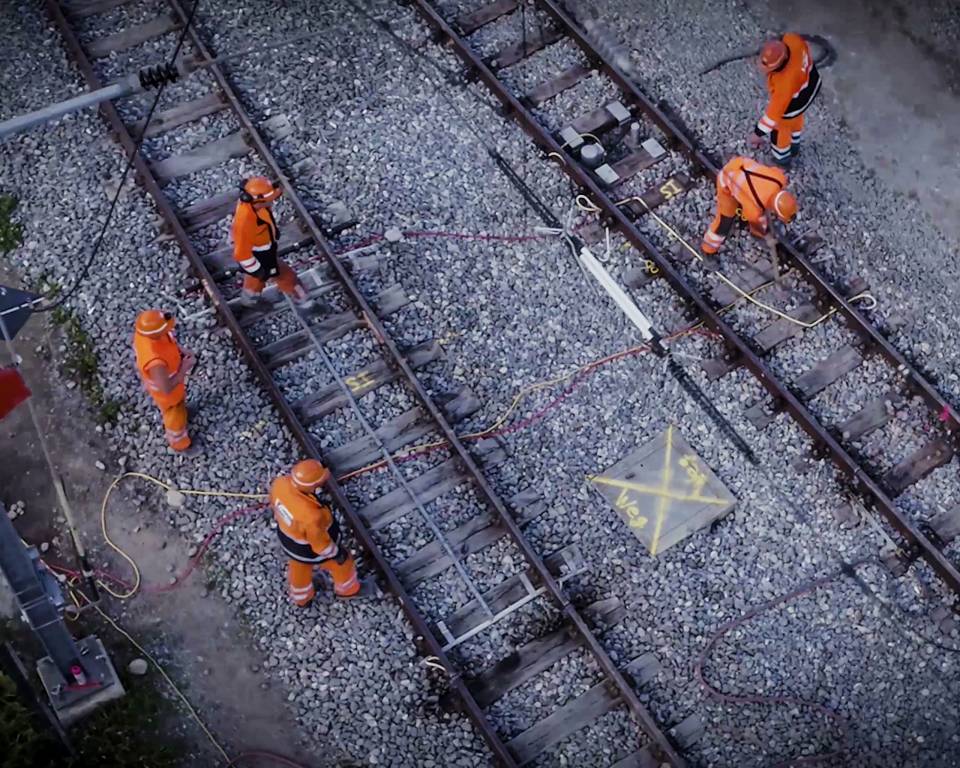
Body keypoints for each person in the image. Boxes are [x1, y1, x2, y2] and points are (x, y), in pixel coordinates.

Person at [269, 459, 361, 605]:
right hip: (308, 550)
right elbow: (320, 545)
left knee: (299, 571)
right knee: (343, 565)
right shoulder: (311, 517)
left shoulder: (280, 484)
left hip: (288, 539)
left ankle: (301, 599)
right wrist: (337, 554)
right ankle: (348, 590)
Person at [231, 176, 314, 312]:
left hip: (264, 250)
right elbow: (241, 254)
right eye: (269, 201)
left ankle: (249, 300)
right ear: (258, 201)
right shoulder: (245, 222)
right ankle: (305, 303)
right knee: (286, 276)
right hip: (260, 255)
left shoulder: (254, 206)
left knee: (255, 281)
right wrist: (258, 270)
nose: (272, 203)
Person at [748, 33, 821, 168]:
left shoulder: (783, 84)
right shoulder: (793, 40)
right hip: (810, 85)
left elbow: (773, 115)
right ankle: (795, 145)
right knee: (797, 119)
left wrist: (757, 134)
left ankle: (782, 159)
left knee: (781, 130)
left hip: (794, 105)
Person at [701, 156, 797, 255]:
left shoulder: (780, 179)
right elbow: (755, 225)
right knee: (724, 223)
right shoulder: (754, 209)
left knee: (758, 212)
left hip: (741, 163)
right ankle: (707, 249)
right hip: (727, 177)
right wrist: (765, 236)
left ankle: (757, 232)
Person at [132, 309, 195, 452]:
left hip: (176, 389)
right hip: (169, 397)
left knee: (181, 404)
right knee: (175, 418)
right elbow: (166, 388)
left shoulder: (149, 334)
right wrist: (184, 368)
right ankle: (180, 444)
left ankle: (184, 412)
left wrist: (181, 351)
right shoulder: (155, 361)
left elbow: (168, 341)